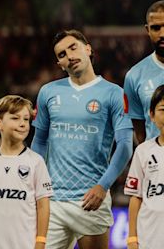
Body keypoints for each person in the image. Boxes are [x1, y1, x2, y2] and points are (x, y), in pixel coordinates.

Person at [31, 29, 133, 249]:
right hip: (52, 201)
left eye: (73, 47)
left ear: (88, 49)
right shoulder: (48, 92)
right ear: (59, 64)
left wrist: (102, 186)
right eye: (61, 54)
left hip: (90, 199)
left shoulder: (114, 93)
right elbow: (39, 142)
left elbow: (125, 145)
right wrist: (35, 183)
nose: (69, 55)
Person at [0, 95, 53, 249]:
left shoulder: (36, 161)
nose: (23, 124)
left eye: (26, 119)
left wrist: (40, 241)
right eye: (15, 118)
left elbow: (43, 205)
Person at [124, 84, 164, 249]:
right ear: (152, 115)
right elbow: (136, 197)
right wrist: (132, 238)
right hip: (149, 236)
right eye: (163, 109)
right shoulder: (142, 151)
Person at [124, 0, 164, 143]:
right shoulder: (134, 76)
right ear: (147, 30)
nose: (162, 34)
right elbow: (140, 134)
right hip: (154, 163)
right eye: (156, 28)